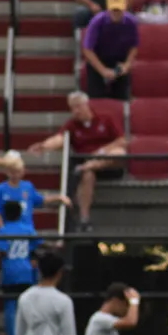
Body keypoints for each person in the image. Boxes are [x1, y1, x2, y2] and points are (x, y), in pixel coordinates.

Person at [28, 92, 128, 231]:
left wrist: (101, 152)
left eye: (78, 107)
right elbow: (59, 138)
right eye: (72, 108)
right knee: (87, 174)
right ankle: (84, 218)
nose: (75, 111)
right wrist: (44, 146)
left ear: (86, 105)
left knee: (119, 153)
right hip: (85, 164)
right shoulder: (72, 125)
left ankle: (90, 165)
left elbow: (122, 141)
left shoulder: (106, 119)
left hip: (107, 162)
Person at [0, 201, 40, 335]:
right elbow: (37, 244)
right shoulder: (28, 229)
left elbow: (2, 251)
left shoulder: (3, 231)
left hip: (10, 272)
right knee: (28, 305)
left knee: (10, 306)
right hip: (26, 272)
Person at [81, 0, 140, 101]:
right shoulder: (97, 22)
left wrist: (126, 65)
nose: (116, 13)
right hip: (98, 60)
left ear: (124, 8)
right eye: (114, 10)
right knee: (96, 98)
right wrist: (102, 70)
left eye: (119, 10)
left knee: (122, 99)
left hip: (120, 61)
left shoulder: (131, 22)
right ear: (108, 9)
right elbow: (88, 49)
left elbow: (134, 46)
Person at [0, 154, 69, 229]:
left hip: (27, 229)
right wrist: (2, 229)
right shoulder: (0, 189)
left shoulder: (28, 187)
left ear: (22, 171)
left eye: (17, 171)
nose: (15, 175)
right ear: (6, 171)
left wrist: (58, 198)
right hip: (9, 230)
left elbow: (40, 200)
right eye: (12, 171)